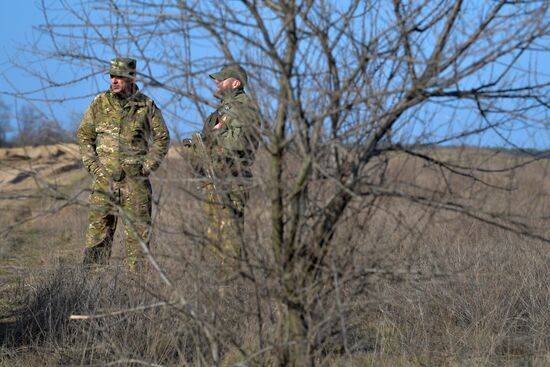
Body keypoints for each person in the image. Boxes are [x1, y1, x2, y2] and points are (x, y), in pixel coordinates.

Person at [77, 57, 170, 270]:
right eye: (112, 76)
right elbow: (84, 135)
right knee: (97, 237)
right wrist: (93, 166)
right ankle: (91, 291)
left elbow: (162, 137)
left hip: (135, 185)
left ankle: (136, 292)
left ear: (131, 78)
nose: (114, 81)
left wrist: (147, 167)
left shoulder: (145, 105)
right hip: (104, 182)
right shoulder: (99, 103)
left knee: (138, 241)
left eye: (120, 77)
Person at [184, 64, 260, 269]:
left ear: (235, 83)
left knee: (230, 241)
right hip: (213, 181)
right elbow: (207, 144)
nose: (216, 82)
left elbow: (239, 144)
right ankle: (218, 293)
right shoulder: (222, 111)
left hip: (231, 183)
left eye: (221, 79)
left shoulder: (244, 110)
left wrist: (213, 137)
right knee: (215, 241)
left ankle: (230, 290)